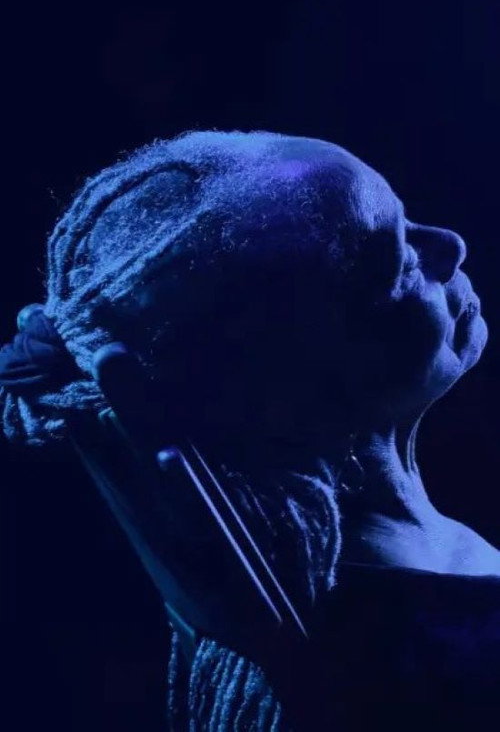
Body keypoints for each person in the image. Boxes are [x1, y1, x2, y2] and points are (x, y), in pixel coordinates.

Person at [1, 130, 499, 730]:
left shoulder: (368, 593)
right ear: (302, 377)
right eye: (401, 263)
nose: (450, 245)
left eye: (408, 217)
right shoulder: (413, 647)